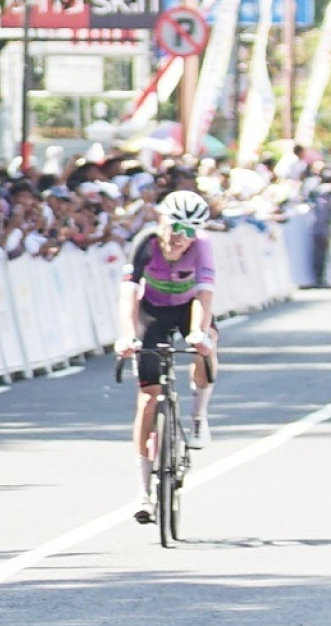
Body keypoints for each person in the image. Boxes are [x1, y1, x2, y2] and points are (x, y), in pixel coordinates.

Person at [114, 190, 218, 524]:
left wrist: (199, 332)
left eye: (189, 231)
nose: (179, 237)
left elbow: (204, 293)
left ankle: (199, 416)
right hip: (153, 312)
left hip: (189, 309)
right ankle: (143, 492)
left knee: (207, 344)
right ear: (161, 220)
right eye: (174, 227)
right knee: (147, 399)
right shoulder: (145, 243)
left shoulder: (202, 248)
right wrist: (126, 335)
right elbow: (128, 293)